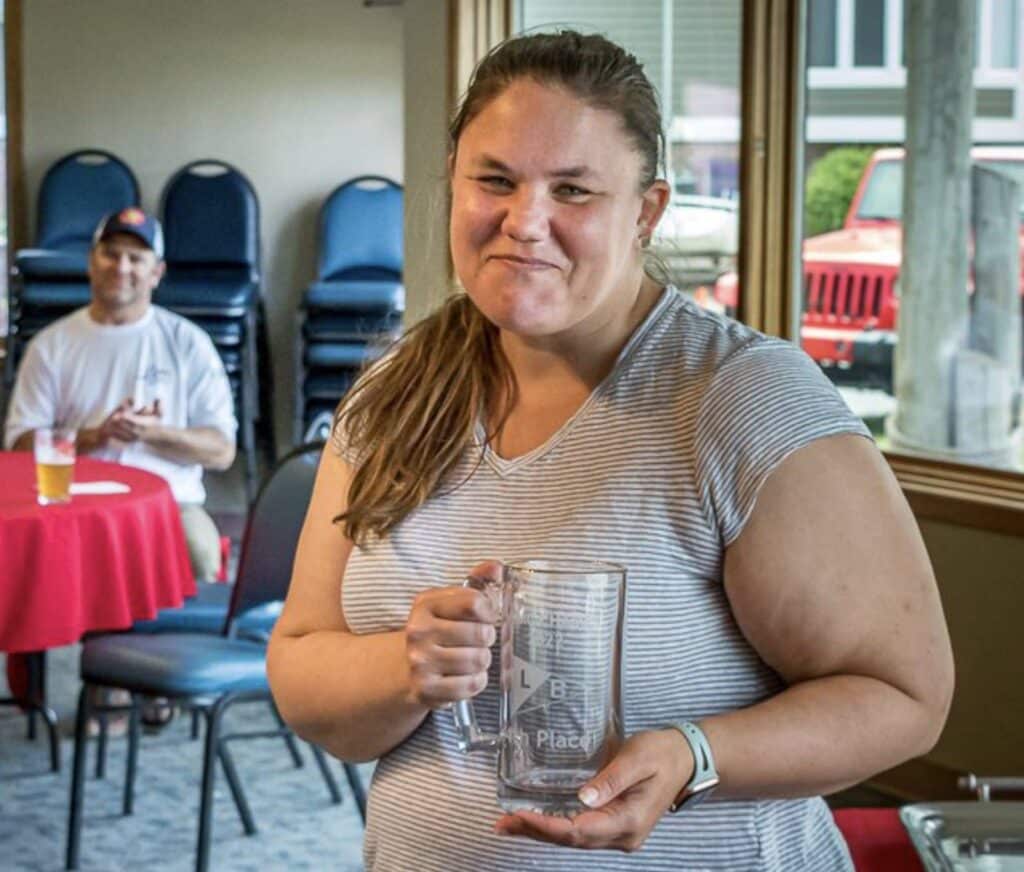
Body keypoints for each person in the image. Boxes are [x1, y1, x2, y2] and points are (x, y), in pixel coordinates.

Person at [267, 31, 954, 871]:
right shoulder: (392, 395)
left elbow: (904, 698)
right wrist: (403, 667)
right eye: (495, 180)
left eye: (574, 190)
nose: (525, 221)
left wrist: (696, 755)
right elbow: (302, 664)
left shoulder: (742, 398)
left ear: (647, 212)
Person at [4, 207, 237, 580]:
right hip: (71, 503)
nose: (122, 267)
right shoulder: (50, 345)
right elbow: (18, 446)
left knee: (202, 555)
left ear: (156, 272)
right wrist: (98, 435)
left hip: (170, 504)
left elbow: (222, 451)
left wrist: (148, 433)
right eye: (110, 254)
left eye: (136, 258)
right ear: (91, 263)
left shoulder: (189, 343)